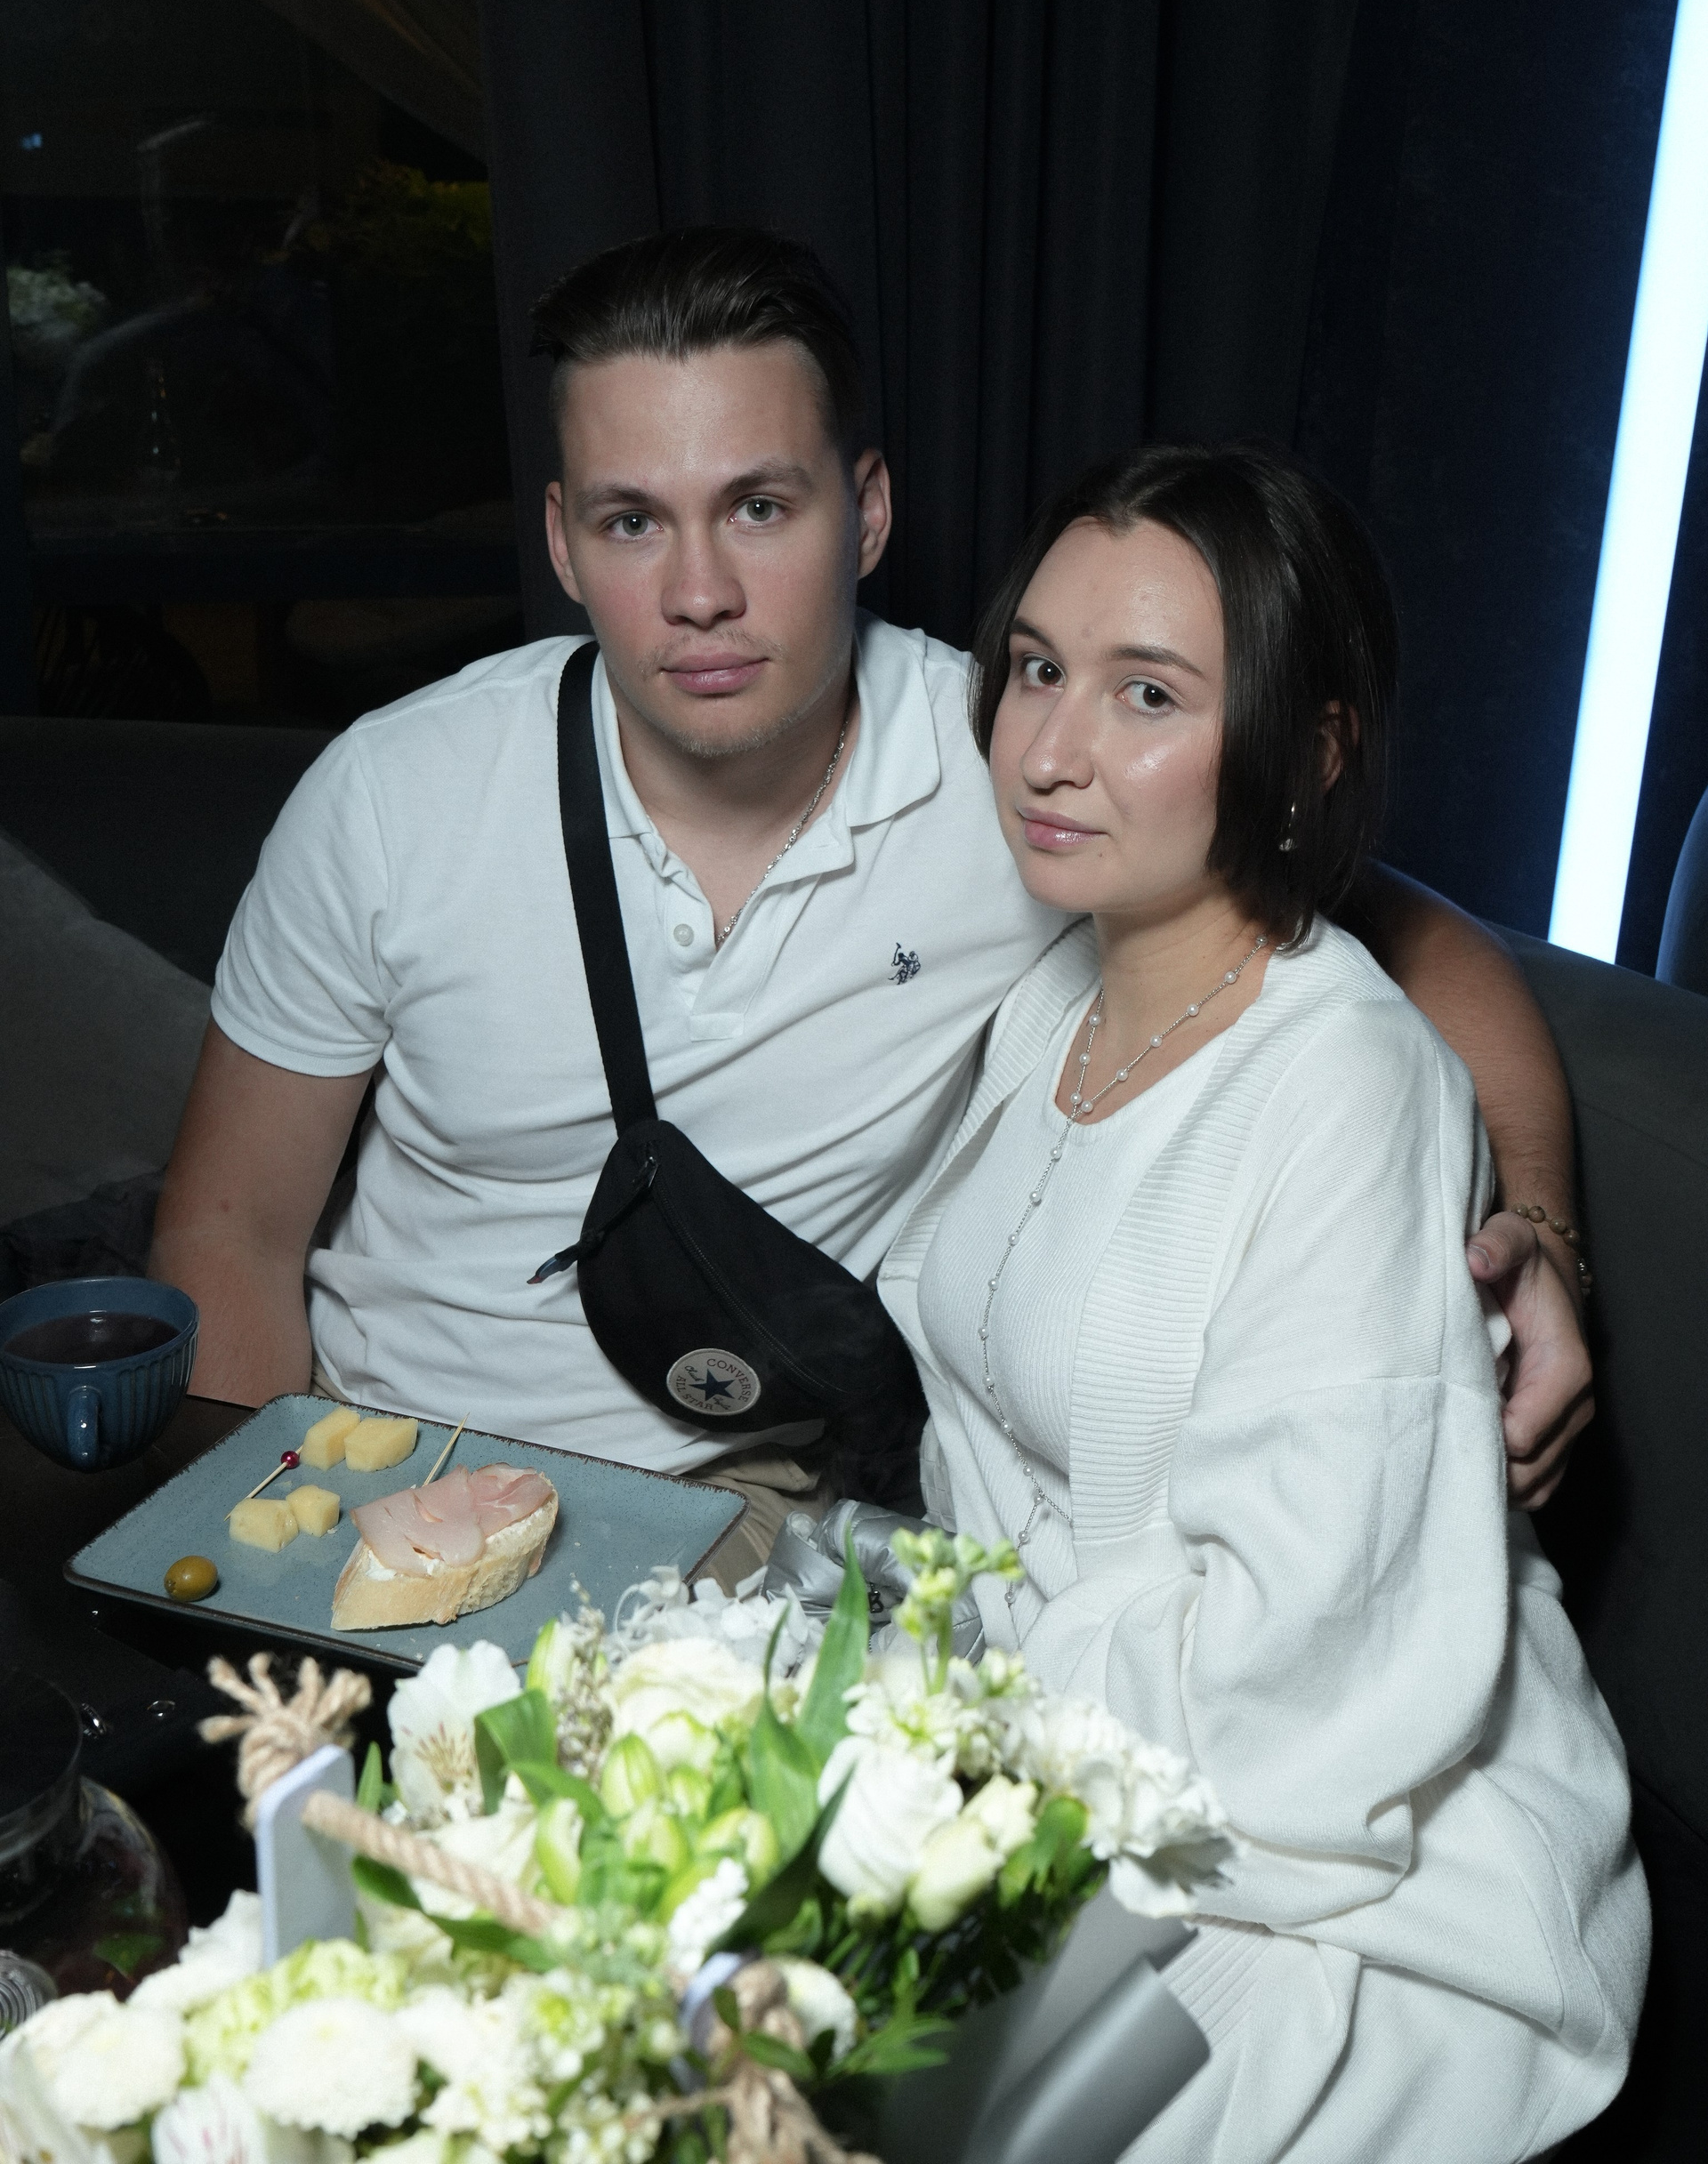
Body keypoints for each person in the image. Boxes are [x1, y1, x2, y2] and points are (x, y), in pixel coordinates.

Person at [150, 227, 1591, 1585]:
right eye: (634, 520)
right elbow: (233, 1232)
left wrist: (1542, 1243)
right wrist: (250, 1572)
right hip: (381, 1459)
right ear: (564, 542)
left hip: (719, 1509)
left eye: (760, 507)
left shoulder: (1015, 766)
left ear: (870, 512)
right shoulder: (394, 798)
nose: (700, 592)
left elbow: (1409, 941)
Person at [876, 444, 1647, 2160]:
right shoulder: (1059, 1000)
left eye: (1147, 693)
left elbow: (1302, 1665)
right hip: (1077, 1750)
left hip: (1338, 1871)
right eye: (1036, 669)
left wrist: (968, 1715)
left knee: (853, 2095)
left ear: (1309, 750)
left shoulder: (1348, 1085)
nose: (1051, 748)